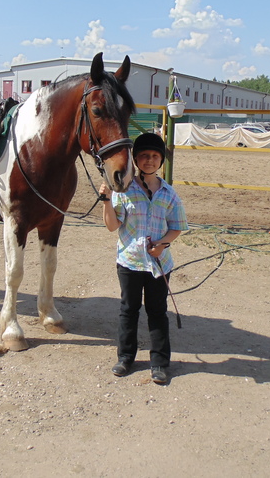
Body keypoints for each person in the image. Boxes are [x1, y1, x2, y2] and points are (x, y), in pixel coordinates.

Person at [99, 132, 189, 384]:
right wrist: (106, 200)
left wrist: (162, 244)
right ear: (135, 159)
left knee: (157, 311)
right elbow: (111, 225)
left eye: (154, 156)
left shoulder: (170, 194)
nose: (149, 160)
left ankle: (159, 362)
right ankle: (125, 357)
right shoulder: (124, 191)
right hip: (129, 262)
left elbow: (177, 226)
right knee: (128, 310)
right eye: (144, 156)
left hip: (158, 264)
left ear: (161, 160)